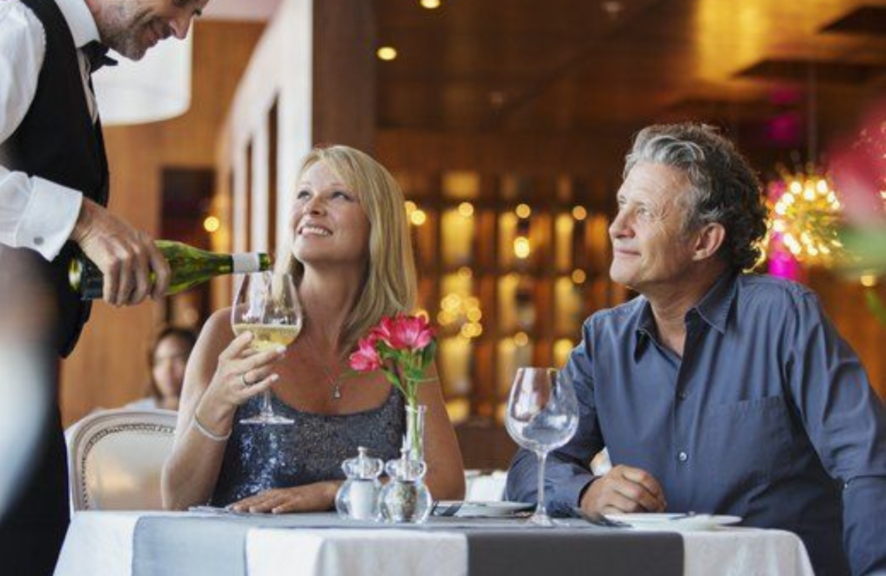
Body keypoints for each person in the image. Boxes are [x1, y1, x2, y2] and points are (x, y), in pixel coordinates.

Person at [0, 0, 211, 574]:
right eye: (183, 6)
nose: (180, 30)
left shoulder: (67, 59)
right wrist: (84, 220)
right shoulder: (15, 23)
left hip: (2, 389)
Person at [505, 123, 886, 576]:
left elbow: (868, 465)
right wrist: (587, 493)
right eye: (622, 205)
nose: (616, 227)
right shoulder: (604, 340)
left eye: (644, 212)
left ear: (704, 240)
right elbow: (531, 464)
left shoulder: (783, 316)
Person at [162, 145, 466, 512]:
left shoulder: (403, 346)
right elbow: (177, 501)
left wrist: (331, 492)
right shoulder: (231, 332)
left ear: (379, 224)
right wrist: (217, 402)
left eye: (338, 194)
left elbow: (447, 485)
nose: (311, 206)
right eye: (304, 194)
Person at [126, 325, 196, 411]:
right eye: (159, 361)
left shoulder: (208, 415)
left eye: (177, 359)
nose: (167, 370)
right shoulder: (135, 413)